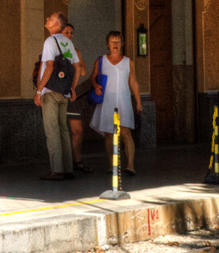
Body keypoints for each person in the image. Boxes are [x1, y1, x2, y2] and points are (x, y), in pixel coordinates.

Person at [34, 11, 79, 180]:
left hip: (51, 91)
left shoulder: (50, 41)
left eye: (50, 19)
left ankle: (56, 170)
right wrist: (72, 89)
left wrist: (39, 90)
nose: (47, 19)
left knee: (52, 131)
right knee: (63, 130)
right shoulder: (67, 42)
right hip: (64, 92)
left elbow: (49, 67)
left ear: (56, 25)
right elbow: (76, 67)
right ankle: (68, 169)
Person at [91, 31, 141, 177]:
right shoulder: (100, 60)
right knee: (108, 134)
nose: (115, 44)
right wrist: (95, 86)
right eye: (112, 42)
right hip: (107, 102)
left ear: (122, 44)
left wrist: (138, 101)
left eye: (118, 42)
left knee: (125, 133)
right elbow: (92, 78)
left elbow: (133, 82)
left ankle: (130, 165)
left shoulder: (128, 62)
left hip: (123, 101)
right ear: (107, 44)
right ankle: (112, 164)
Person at [62, 23, 92, 173]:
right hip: (59, 96)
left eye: (71, 33)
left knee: (77, 130)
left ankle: (77, 162)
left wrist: (78, 64)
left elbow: (84, 72)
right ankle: (62, 164)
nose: (69, 35)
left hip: (73, 97)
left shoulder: (75, 52)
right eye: (66, 32)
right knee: (61, 131)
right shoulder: (54, 50)